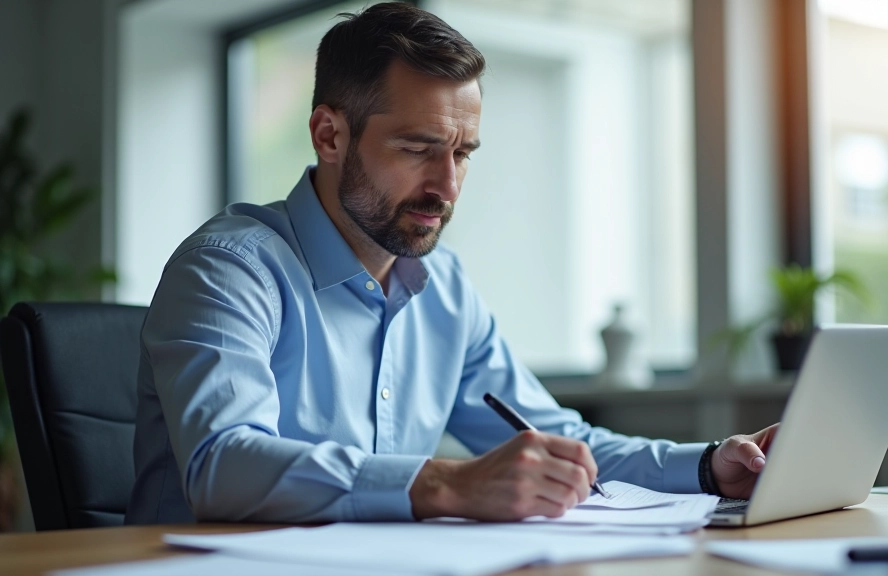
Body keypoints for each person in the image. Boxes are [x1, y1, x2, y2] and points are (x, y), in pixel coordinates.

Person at [125, 2, 777, 525]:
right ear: (329, 134)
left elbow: (556, 440)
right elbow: (223, 465)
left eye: (463, 153)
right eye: (418, 148)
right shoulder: (228, 270)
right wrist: (445, 481)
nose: (448, 185)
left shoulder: (445, 291)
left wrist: (709, 465)